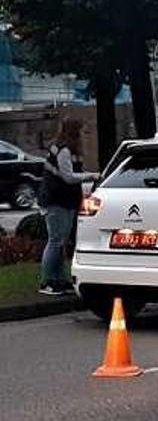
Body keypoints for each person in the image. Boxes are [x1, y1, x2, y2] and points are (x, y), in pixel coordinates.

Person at [37, 118, 100, 296]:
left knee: (61, 241)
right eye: (82, 131)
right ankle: (48, 281)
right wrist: (92, 176)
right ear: (74, 132)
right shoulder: (64, 150)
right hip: (56, 200)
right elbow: (68, 177)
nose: (84, 135)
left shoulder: (68, 149)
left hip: (65, 199)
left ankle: (59, 280)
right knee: (55, 240)